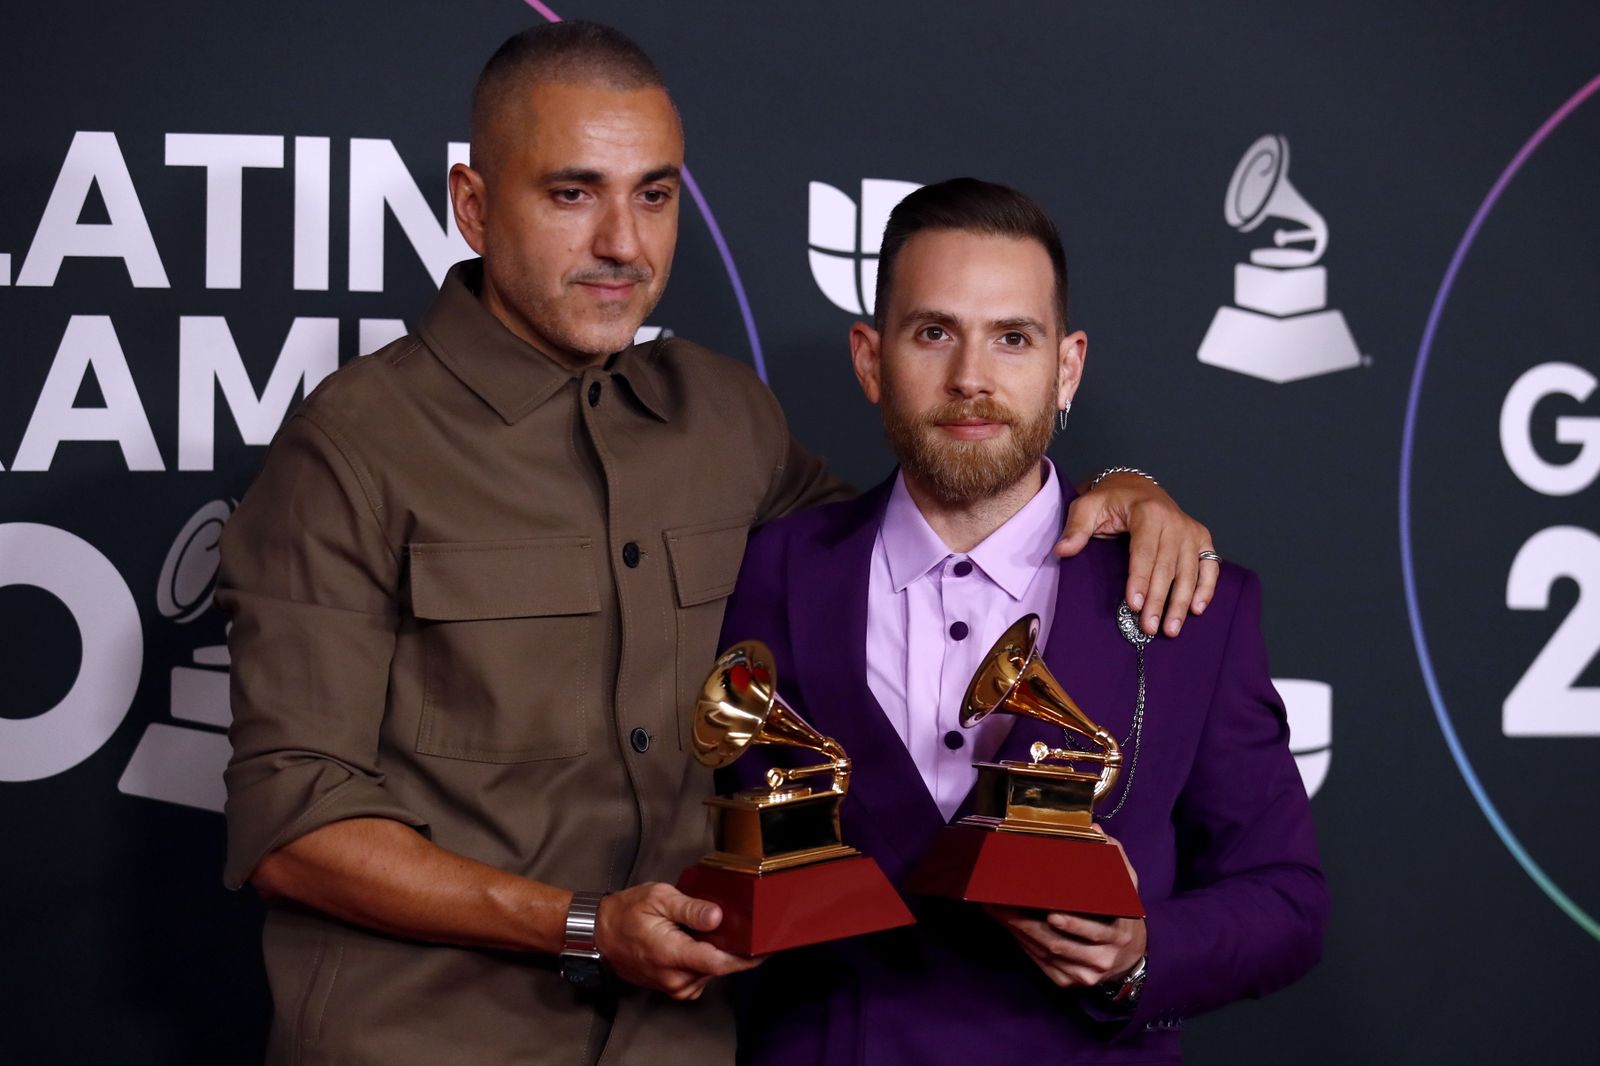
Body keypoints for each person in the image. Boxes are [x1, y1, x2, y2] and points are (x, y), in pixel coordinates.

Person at [217, 23, 1216, 1066]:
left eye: (653, 195)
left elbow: (923, 534)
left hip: (683, 1042)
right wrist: (582, 923)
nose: (623, 243)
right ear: (472, 205)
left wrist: (1113, 490)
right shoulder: (351, 445)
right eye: (572, 193)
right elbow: (292, 825)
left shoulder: (721, 414)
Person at [719, 178, 1327, 1065]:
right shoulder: (773, 569)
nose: (972, 379)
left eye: (1013, 338)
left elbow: (1287, 901)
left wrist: (1142, 954)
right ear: (869, 357)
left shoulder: (1192, 601)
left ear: (1067, 366)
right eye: (934, 333)